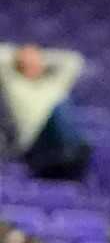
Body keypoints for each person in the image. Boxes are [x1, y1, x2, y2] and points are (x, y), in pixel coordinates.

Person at [0, 42, 91, 181]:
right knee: (59, 109)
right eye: (27, 63)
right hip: (36, 143)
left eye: (36, 62)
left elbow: (73, 60)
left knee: (61, 104)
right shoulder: (14, 82)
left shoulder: (54, 83)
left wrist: (40, 57)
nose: (33, 65)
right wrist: (18, 55)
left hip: (66, 146)